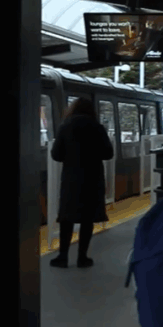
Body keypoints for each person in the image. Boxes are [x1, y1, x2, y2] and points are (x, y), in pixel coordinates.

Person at [50, 98, 114, 268]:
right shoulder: (97, 127)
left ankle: (62, 257)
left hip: (71, 178)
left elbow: (56, 155)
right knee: (87, 218)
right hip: (93, 178)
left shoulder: (65, 126)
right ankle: (82, 258)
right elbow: (108, 153)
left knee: (67, 217)